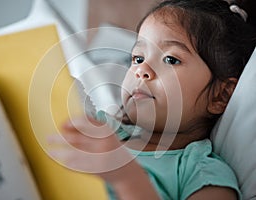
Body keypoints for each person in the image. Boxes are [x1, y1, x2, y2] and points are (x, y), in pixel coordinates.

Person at [48, 0, 256, 199]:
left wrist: (126, 177)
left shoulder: (201, 173)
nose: (141, 70)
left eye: (170, 59)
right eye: (138, 58)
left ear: (221, 95)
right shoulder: (103, 128)